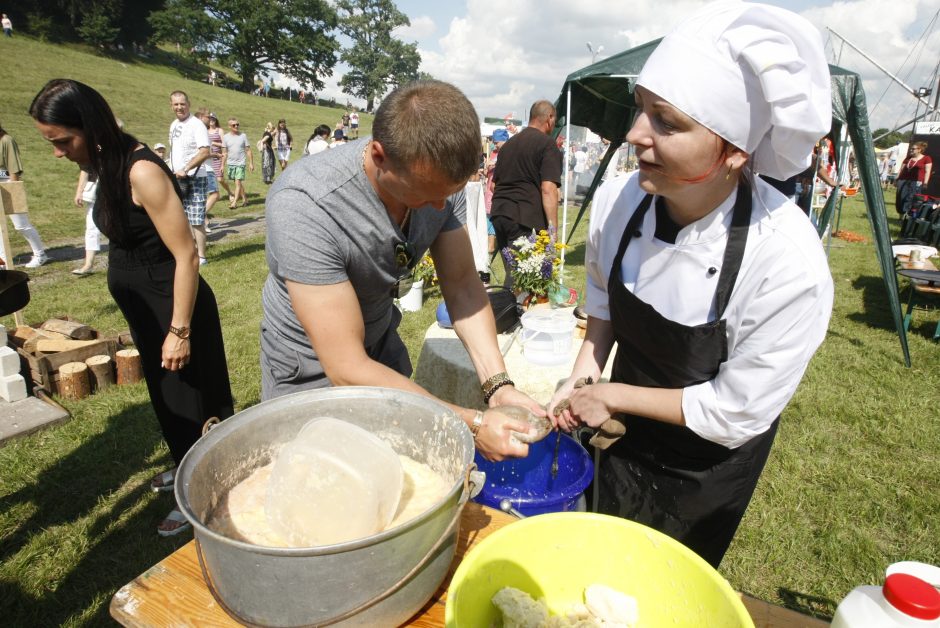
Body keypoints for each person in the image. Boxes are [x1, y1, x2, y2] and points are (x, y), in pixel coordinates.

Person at [549, 1, 834, 568]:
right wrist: (584, 379)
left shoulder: (785, 261)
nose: (635, 135)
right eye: (641, 110)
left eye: (667, 122)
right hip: (620, 434)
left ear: (733, 152)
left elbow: (736, 412)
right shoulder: (620, 201)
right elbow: (603, 309)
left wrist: (612, 394)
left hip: (704, 468)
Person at [261, 80, 545, 462]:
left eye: (448, 194)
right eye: (426, 194)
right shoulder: (306, 204)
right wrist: (472, 423)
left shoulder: (438, 179)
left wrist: (498, 386)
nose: (439, 205)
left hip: (380, 355)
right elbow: (345, 365)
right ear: (379, 156)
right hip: (310, 375)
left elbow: (462, 285)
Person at [30, 79, 234, 536]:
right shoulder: (109, 163)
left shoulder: (141, 171)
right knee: (165, 396)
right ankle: (185, 465)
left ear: (91, 126)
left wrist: (179, 330)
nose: (58, 153)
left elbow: (186, 255)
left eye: (63, 141)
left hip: (173, 308)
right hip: (146, 310)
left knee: (190, 399)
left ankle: (202, 492)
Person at [490, 100, 562, 288]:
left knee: (513, 272)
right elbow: (548, 188)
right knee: (524, 278)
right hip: (523, 218)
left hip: (499, 214)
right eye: (554, 120)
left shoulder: (507, 146)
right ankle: (511, 314)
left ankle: (511, 311)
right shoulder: (547, 144)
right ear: (549, 118)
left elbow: (492, 186)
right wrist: (553, 232)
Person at [167, 90, 210, 265]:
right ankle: (187, 252)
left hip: (195, 177)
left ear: (188, 104)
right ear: (171, 106)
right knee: (180, 218)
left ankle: (201, 256)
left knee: (196, 218)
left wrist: (186, 168)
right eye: (176, 104)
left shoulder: (196, 124)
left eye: (182, 104)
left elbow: (204, 151)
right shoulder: (173, 125)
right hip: (177, 177)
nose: (179, 107)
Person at [0, 121, 50, 268]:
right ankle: (3, 259)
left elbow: (13, 167)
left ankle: (40, 254)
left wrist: (14, 190)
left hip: (9, 183)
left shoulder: (7, 140)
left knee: (21, 225)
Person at [72, 168, 100, 275]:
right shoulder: (91, 152)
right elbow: (85, 169)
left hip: (117, 190)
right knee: (91, 227)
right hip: (96, 190)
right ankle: (88, 265)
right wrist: (79, 191)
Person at [222, 117, 254, 207]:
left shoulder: (243, 136)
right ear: (229, 126)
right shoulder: (225, 137)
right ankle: (245, 199)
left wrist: (251, 163)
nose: (236, 126)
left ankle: (234, 202)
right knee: (237, 183)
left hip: (241, 163)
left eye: (237, 124)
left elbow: (248, 150)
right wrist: (222, 165)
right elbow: (224, 152)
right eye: (234, 125)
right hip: (231, 163)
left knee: (237, 182)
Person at [895, 141, 932, 216]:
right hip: (903, 180)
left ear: (919, 149)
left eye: (913, 149)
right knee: (901, 197)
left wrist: (925, 183)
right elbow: (901, 169)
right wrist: (897, 179)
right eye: (911, 149)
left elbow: (927, 171)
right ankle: (901, 215)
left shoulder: (926, 158)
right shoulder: (908, 158)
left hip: (916, 182)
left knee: (911, 197)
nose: (911, 150)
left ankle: (908, 215)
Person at [205, 112, 233, 203]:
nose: (211, 121)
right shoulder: (205, 130)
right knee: (210, 178)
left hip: (218, 157)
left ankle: (230, 192)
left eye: (213, 119)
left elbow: (224, 144)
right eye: (210, 119)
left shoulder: (219, 130)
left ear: (216, 120)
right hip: (209, 158)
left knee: (220, 179)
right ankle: (214, 195)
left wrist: (214, 143)